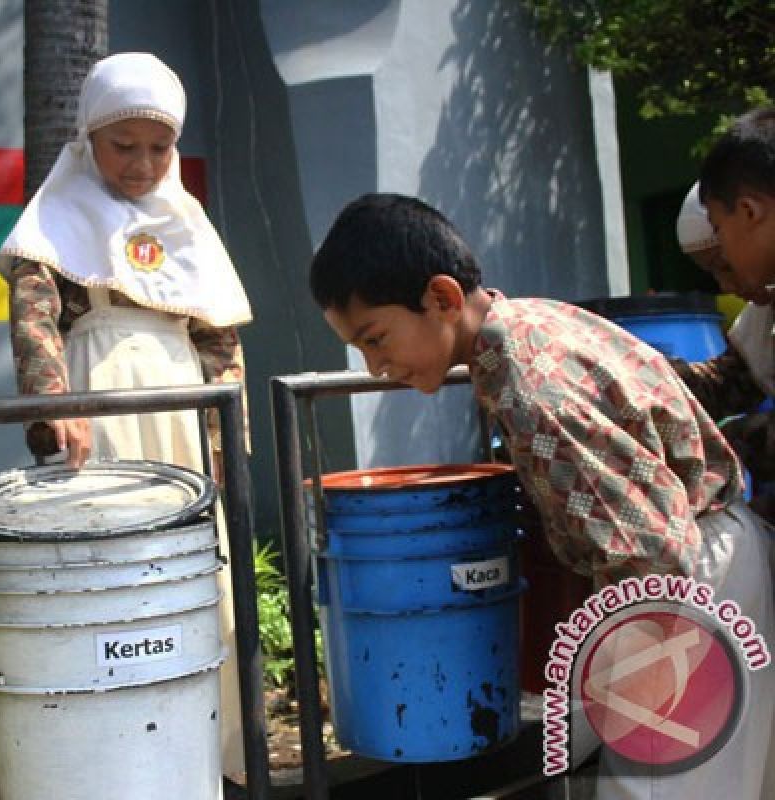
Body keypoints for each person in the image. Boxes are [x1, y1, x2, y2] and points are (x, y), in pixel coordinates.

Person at [309, 193, 773, 799]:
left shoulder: (530, 392)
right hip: (718, 560)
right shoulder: (537, 322)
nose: (374, 366)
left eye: (376, 338)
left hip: (683, 590)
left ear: (443, 298)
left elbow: (652, 551)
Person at [0, 52, 253, 787]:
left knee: (196, 569)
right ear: (87, 139)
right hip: (99, 398)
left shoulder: (186, 220)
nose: (142, 163)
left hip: (181, 405)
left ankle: (210, 754)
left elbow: (218, 334)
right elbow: (35, 318)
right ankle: (115, 762)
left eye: (159, 146)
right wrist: (53, 400)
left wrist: (227, 437)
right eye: (123, 145)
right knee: (114, 574)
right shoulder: (57, 217)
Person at [671, 182, 774, 522]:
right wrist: (653, 380)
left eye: (725, 265)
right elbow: (733, 382)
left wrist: (732, 440)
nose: (726, 286)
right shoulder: (763, 316)